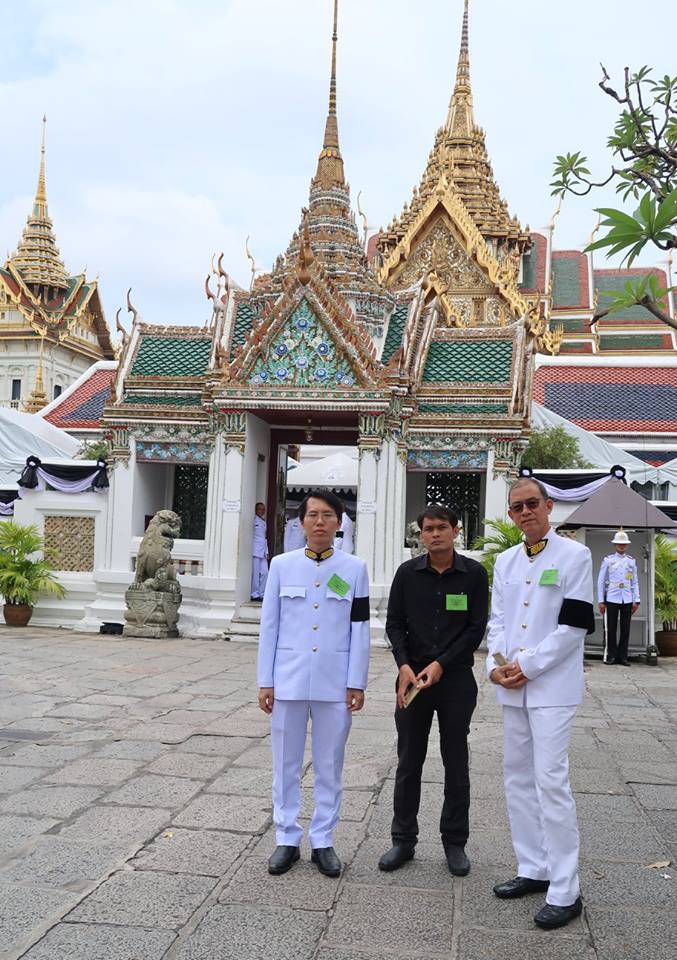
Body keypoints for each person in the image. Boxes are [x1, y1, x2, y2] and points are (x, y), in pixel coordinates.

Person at [487, 477, 595, 931]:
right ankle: (533, 866)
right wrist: (494, 666)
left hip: (551, 687)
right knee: (517, 778)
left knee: (551, 781)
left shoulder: (575, 556)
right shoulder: (506, 561)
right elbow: (497, 621)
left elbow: (574, 626)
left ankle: (566, 889)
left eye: (532, 503)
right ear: (511, 515)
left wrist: (528, 666)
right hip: (512, 686)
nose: (525, 512)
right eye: (517, 507)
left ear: (549, 507)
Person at [257, 489, 370, 878]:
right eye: (312, 515)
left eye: (328, 515)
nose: (320, 522)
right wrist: (265, 680)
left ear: (339, 523)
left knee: (329, 764)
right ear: (301, 522)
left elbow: (360, 627)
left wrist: (356, 681)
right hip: (287, 680)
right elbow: (269, 626)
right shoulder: (281, 566)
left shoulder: (354, 568)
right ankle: (286, 837)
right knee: (285, 764)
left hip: (334, 681)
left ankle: (323, 839)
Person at [379, 504, 489, 877]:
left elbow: (476, 627)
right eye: (428, 529)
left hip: (455, 680)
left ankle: (454, 842)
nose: (435, 534)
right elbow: (394, 624)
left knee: (455, 761)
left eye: (442, 527)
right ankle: (403, 839)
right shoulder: (407, 573)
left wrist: (441, 663)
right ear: (421, 534)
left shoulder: (473, 574)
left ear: (456, 531)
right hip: (412, 681)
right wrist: (404, 666)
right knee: (409, 760)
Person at [597, 528, 640, 666]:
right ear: (615, 545)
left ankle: (623, 657)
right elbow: (600, 581)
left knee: (625, 629)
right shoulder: (608, 560)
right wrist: (601, 601)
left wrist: (636, 600)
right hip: (612, 598)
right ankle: (611, 655)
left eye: (624, 544)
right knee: (611, 628)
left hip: (627, 598)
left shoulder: (631, 561)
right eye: (619, 544)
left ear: (627, 545)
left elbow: (634, 581)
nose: (621, 546)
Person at [250, 502, 269, 601]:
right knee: (256, 573)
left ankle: (262, 593)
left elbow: (264, 538)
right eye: (259, 509)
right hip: (255, 550)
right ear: (255, 510)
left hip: (263, 551)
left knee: (265, 572)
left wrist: (267, 551)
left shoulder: (263, 522)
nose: (262, 511)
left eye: (263, 509)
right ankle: (254, 594)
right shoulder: (252, 519)